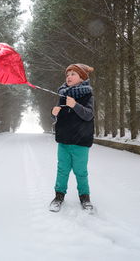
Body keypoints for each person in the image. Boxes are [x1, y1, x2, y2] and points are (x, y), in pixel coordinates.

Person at [49, 63, 94, 212]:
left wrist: (75, 105)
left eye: (73, 74)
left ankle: (85, 198)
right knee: (62, 170)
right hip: (64, 141)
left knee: (81, 171)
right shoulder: (62, 95)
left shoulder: (87, 95)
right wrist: (54, 113)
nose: (69, 77)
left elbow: (89, 115)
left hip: (80, 141)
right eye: (67, 74)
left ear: (82, 77)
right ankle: (58, 196)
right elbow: (58, 118)